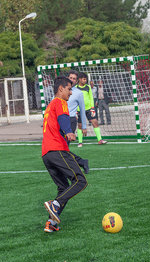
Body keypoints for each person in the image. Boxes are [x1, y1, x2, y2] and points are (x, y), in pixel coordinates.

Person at [42, 76, 88, 233]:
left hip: (47, 154)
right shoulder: (60, 102)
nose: (70, 92)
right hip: (56, 150)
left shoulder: (50, 106)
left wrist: (79, 160)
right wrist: (69, 131)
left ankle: (51, 223)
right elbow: (63, 119)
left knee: (63, 188)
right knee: (80, 181)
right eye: (69, 88)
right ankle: (54, 204)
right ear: (60, 89)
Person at [76, 72, 107, 147]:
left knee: (95, 122)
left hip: (89, 109)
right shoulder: (75, 88)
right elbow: (74, 100)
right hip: (79, 110)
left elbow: (91, 98)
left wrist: (92, 108)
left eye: (86, 79)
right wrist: (75, 111)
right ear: (79, 79)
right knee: (80, 126)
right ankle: (80, 142)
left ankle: (99, 140)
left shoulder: (88, 87)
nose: (85, 81)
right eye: (84, 79)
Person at [67, 70, 89, 174]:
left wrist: (84, 126)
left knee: (63, 148)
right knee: (61, 148)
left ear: (76, 81)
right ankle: (82, 162)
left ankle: (76, 166)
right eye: (70, 78)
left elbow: (82, 110)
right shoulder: (61, 90)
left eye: (74, 79)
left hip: (70, 121)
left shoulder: (78, 93)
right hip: (59, 121)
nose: (72, 80)